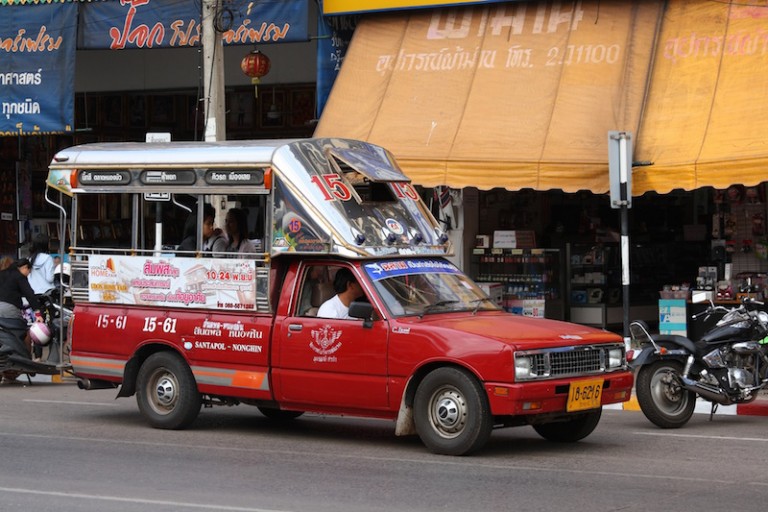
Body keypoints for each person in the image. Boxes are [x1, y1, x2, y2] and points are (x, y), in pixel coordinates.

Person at [0, 259, 45, 362]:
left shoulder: (1, 274)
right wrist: (38, 314)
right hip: (9, 310)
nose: (28, 275)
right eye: (29, 272)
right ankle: (27, 359)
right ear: (25, 267)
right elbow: (30, 295)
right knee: (26, 331)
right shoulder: (19, 276)